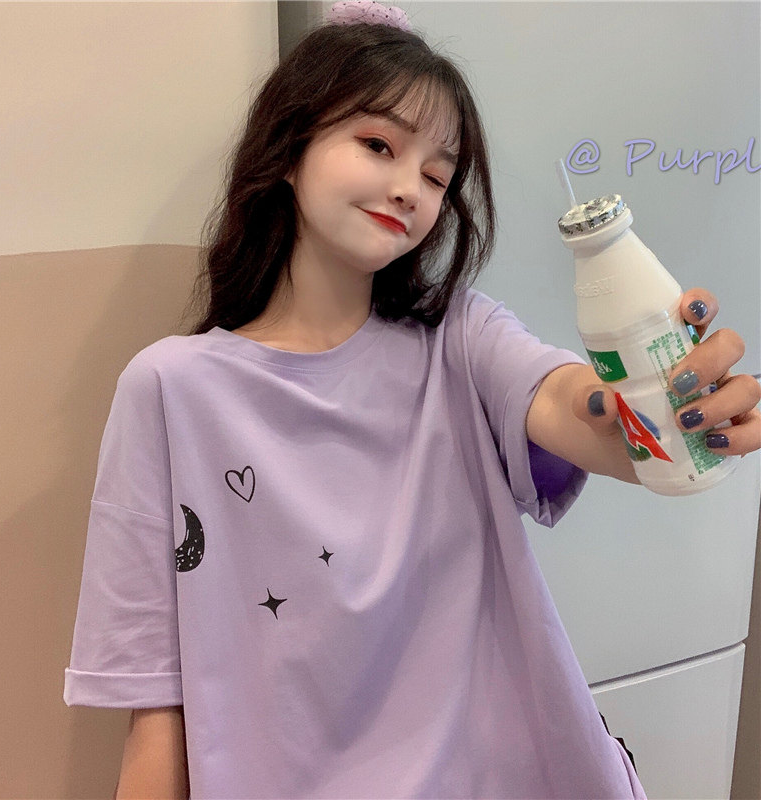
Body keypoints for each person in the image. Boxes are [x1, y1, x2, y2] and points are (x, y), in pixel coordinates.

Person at [63, 2, 761, 798]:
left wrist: (670, 409)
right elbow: (154, 697)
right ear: (288, 148)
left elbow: (575, 407)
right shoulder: (170, 389)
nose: (408, 189)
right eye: (378, 145)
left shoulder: (459, 337)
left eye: (436, 176)